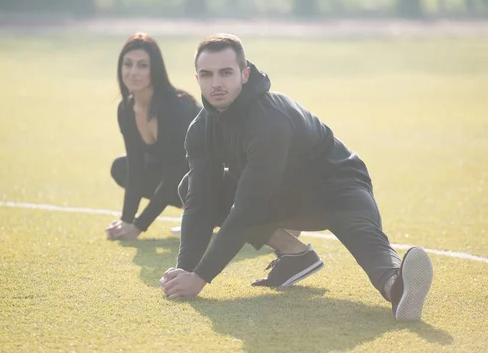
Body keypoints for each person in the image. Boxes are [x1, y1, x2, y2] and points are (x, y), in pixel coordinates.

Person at [160, 34, 434, 321]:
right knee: (191, 185)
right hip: (280, 194)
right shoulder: (200, 129)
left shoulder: (269, 121)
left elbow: (247, 210)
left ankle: (397, 287)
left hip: (337, 189)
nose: (216, 83)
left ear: (245, 74)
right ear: (197, 79)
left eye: (226, 73)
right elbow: (199, 201)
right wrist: (185, 271)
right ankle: (295, 255)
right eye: (207, 74)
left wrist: (202, 277)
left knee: (369, 247)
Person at [106, 33, 201, 240]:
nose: (133, 72)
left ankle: (209, 215)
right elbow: (136, 168)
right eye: (127, 64)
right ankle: (198, 215)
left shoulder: (175, 107)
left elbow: (175, 174)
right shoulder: (126, 109)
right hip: (182, 182)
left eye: (142, 65)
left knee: (186, 177)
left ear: (154, 70)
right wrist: (126, 221)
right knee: (121, 167)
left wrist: (139, 226)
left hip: (216, 182)